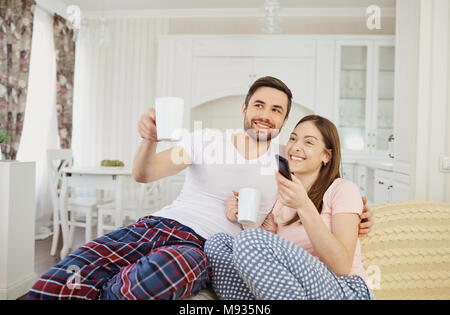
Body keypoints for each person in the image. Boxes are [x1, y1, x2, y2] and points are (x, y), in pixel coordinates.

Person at [26, 77, 373, 300]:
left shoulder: (287, 163)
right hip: (155, 225)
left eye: (277, 110)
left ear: (284, 121)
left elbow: (324, 186)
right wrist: (148, 140)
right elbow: (144, 174)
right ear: (245, 108)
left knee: (163, 273)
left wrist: (361, 211)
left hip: (200, 247)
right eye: (259, 105)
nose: (265, 115)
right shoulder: (205, 139)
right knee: (65, 275)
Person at [205, 115, 375, 300]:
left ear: (326, 155)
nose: (295, 147)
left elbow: (341, 266)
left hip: (344, 289)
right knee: (218, 244)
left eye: (309, 142)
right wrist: (245, 220)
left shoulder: (342, 189)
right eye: (293, 138)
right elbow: (269, 264)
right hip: (296, 290)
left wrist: (303, 205)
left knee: (248, 241)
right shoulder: (280, 199)